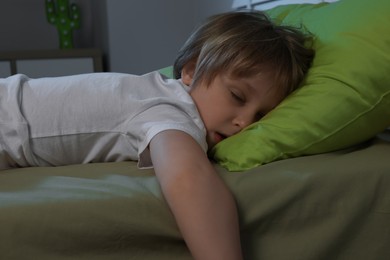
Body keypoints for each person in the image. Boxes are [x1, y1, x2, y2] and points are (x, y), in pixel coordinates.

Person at [0, 11, 314, 260]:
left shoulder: (152, 92)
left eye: (261, 116)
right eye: (237, 96)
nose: (244, 122)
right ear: (190, 72)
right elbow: (188, 179)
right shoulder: (172, 109)